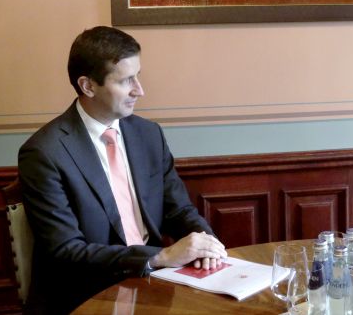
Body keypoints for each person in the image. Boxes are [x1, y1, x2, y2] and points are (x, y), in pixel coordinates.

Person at [18, 26, 227, 314]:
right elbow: (67, 251)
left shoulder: (148, 134)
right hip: (85, 295)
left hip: (156, 286)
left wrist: (206, 244)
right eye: (126, 80)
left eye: (137, 75)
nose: (139, 90)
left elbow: (179, 210)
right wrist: (160, 257)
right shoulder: (44, 152)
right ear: (88, 86)